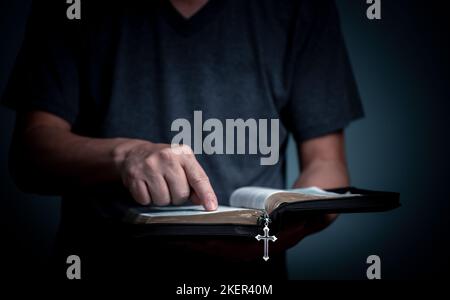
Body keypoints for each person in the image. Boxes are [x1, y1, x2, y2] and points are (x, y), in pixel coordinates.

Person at [2, 0, 363, 279]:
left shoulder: (301, 6)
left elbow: (326, 162)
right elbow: (30, 153)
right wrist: (125, 155)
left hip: (249, 279)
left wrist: (283, 229)